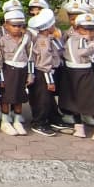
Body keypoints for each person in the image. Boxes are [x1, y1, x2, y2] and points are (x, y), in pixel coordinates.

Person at [63, 12, 94, 139]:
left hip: (85, 71)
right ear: (78, 28)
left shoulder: (93, 40)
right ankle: (78, 126)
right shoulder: (77, 39)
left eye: (92, 29)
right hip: (71, 71)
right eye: (85, 29)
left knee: (90, 99)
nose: (89, 32)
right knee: (73, 99)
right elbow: (82, 53)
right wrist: (93, 47)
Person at [0, 7, 32, 136]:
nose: (17, 28)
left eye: (20, 25)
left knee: (19, 97)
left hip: (22, 70)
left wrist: (30, 74)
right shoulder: (2, 40)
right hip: (8, 70)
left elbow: (30, 57)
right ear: (6, 25)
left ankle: (17, 120)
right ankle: (5, 121)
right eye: (13, 25)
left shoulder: (27, 39)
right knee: (5, 97)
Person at [27, 8, 61, 137]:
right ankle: (39, 123)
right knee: (43, 100)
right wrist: (50, 81)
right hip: (44, 74)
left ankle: (51, 119)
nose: (54, 27)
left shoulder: (44, 38)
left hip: (43, 72)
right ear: (47, 28)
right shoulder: (43, 42)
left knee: (47, 99)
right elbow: (45, 64)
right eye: (52, 25)